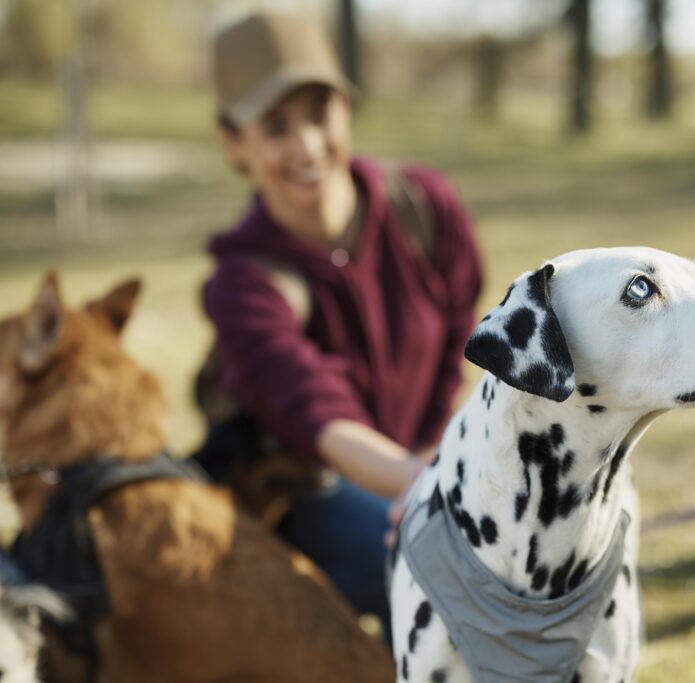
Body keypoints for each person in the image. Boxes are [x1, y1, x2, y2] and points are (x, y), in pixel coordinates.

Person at [198, 10, 483, 629]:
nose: (306, 146)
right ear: (233, 142)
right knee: (438, 569)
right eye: (275, 127)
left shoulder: (424, 207)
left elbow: (458, 339)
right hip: (312, 495)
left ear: (346, 109)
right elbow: (316, 413)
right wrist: (424, 486)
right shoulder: (242, 282)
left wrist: (434, 454)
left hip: (423, 459)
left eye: (319, 114)